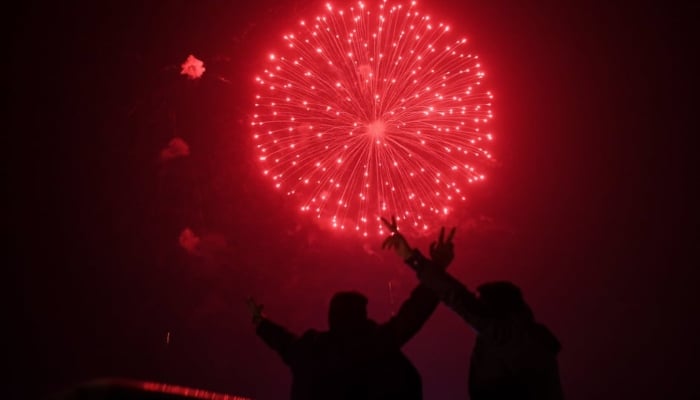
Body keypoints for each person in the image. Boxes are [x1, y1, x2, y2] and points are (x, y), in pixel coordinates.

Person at [246, 227, 455, 400]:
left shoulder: (310, 351)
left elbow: (283, 342)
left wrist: (261, 322)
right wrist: (436, 267)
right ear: (362, 315)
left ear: (332, 316)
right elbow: (414, 313)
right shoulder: (376, 344)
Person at [381, 216, 565, 400]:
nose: (478, 305)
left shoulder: (506, 335)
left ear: (499, 308)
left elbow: (456, 297)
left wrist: (415, 259)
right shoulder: (529, 341)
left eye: (482, 302)